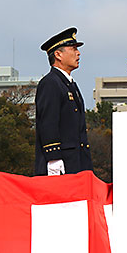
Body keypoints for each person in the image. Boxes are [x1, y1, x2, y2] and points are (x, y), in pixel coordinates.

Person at [35, 27, 93, 176]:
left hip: (77, 162)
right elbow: (48, 122)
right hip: (61, 163)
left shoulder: (69, 84)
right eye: (73, 49)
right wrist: (53, 157)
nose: (78, 53)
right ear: (58, 54)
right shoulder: (50, 83)